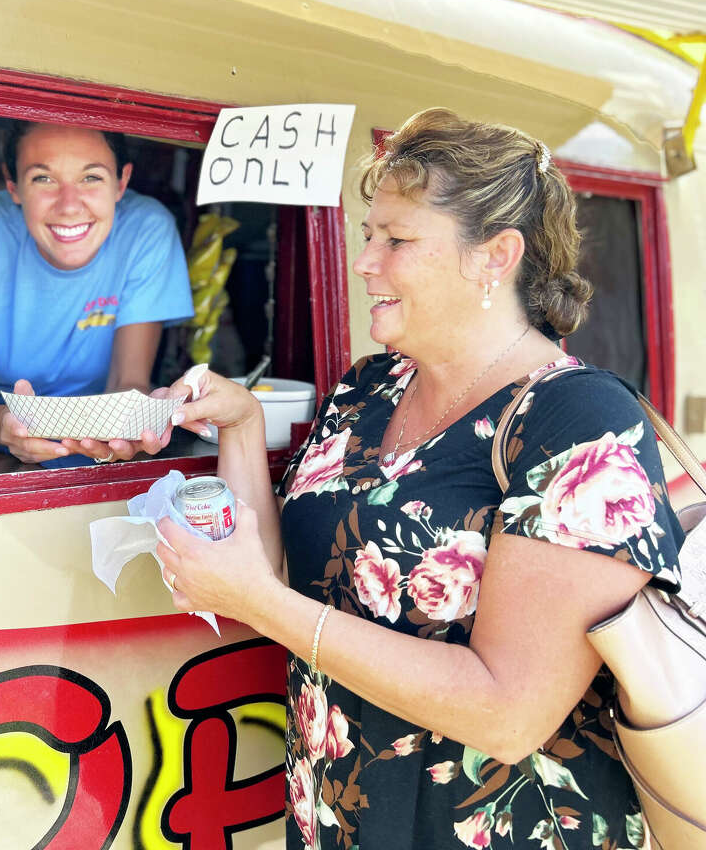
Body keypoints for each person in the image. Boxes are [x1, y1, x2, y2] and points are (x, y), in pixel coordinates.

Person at [155, 108, 684, 849]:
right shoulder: (367, 388)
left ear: (495, 256)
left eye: (396, 240)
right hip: (344, 823)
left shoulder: (578, 420)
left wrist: (260, 605)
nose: (365, 260)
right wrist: (241, 425)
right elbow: (278, 574)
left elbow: (509, 714)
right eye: (370, 234)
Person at [0, 121, 193, 465]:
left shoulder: (146, 230)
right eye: (43, 178)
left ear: (121, 182)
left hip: (91, 431)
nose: (69, 206)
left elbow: (128, 382)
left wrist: (131, 429)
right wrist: (2, 427)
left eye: (91, 177)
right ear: (14, 185)